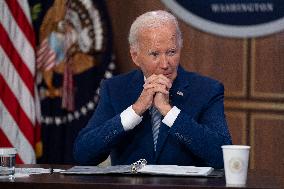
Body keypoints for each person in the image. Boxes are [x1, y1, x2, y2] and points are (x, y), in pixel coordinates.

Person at [73, 10, 232, 168]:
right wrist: (135, 111)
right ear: (135, 56)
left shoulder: (207, 90)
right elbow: (83, 154)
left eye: (171, 52)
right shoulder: (115, 89)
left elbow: (222, 156)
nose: (165, 64)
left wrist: (169, 112)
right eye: (154, 54)